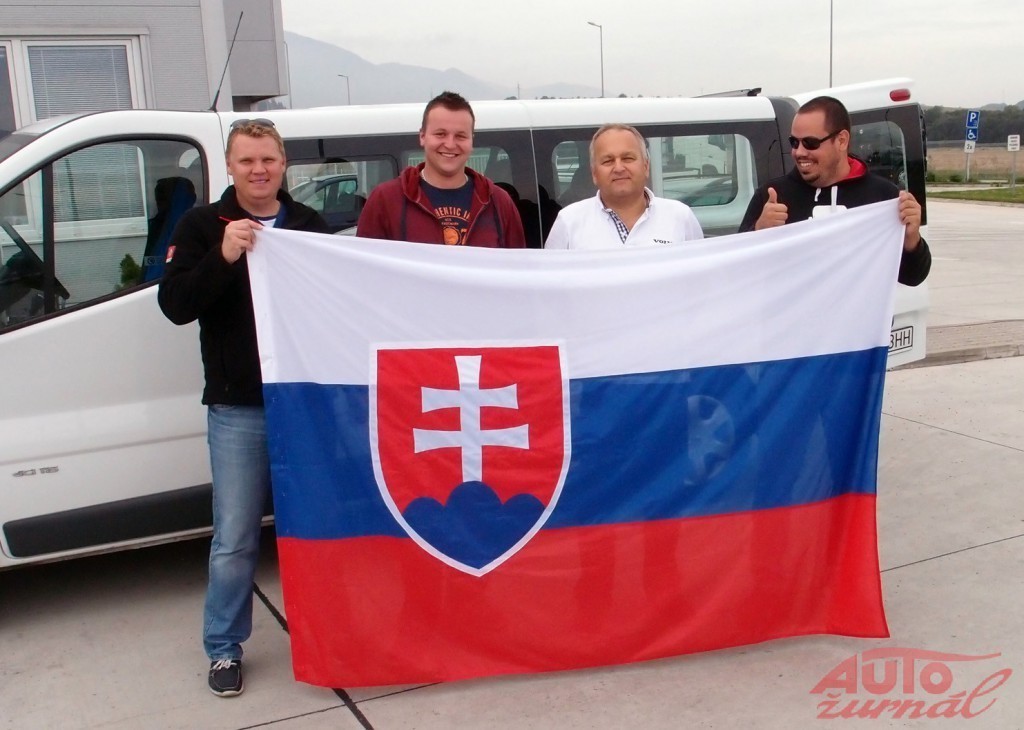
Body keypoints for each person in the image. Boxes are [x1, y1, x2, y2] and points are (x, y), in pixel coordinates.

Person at [157, 119, 329, 698]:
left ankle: (326, 634)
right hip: (239, 409)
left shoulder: (308, 225)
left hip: (303, 406)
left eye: (269, 160)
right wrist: (223, 256)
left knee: (316, 530)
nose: (259, 170)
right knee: (234, 538)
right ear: (229, 166)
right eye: (248, 160)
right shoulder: (201, 225)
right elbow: (175, 304)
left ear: (284, 165)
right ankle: (224, 646)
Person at [738, 96, 931, 286]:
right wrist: (758, 231)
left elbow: (913, 277)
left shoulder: (882, 196)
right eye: (794, 142)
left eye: (810, 143)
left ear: (841, 140)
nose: (799, 152)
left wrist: (911, 240)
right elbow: (738, 272)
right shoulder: (772, 196)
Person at [356, 91, 526, 248]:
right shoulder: (385, 201)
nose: (450, 144)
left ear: (471, 140)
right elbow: (364, 266)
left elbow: (516, 266)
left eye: (460, 136)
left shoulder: (499, 203)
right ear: (422, 136)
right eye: (440, 134)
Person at [544, 123, 704, 249]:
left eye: (628, 158)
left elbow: (699, 274)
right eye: (608, 161)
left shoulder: (680, 217)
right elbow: (551, 278)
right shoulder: (568, 222)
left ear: (646, 166)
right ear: (594, 173)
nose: (619, 168)